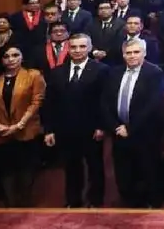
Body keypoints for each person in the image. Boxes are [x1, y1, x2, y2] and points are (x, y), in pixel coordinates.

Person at [42, 33, 109, 208]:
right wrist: (49, 129)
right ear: (68, 49)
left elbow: (105, 101)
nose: (77, 50)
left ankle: (95, 200)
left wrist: (101, 126)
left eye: (82, 46)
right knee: (71, 168)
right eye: (73, 47)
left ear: (89, 47)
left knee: (95, 168)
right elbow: (50, 103)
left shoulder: (101, 70)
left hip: (92, 129)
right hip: (65, 129)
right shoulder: (57, 72)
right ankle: (73, 200)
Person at [0, 44, 45, 207]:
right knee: (5, 170)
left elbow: (37, 101)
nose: (11, 60)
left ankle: (25, 205)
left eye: (15, 55)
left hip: (25, 130)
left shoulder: (33, 75)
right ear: (1, 59)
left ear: (22, 57)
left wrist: (19, 124)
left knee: (25, 169)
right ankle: (10, 204)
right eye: (6, 56)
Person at [102, 37, 164, 208]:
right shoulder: (114, 72)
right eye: (128, 53)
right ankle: (129, 202)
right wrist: (115, 126)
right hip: (118, 132)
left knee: (147, 169)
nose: (132, 56)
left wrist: (130, 128)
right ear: (123, 55)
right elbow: (105, 102)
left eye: (136, 52)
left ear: (144, 53)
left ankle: (151, 202)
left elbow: (152, 105)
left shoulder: (154, 73)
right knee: (123, 170)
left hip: (144, 132)